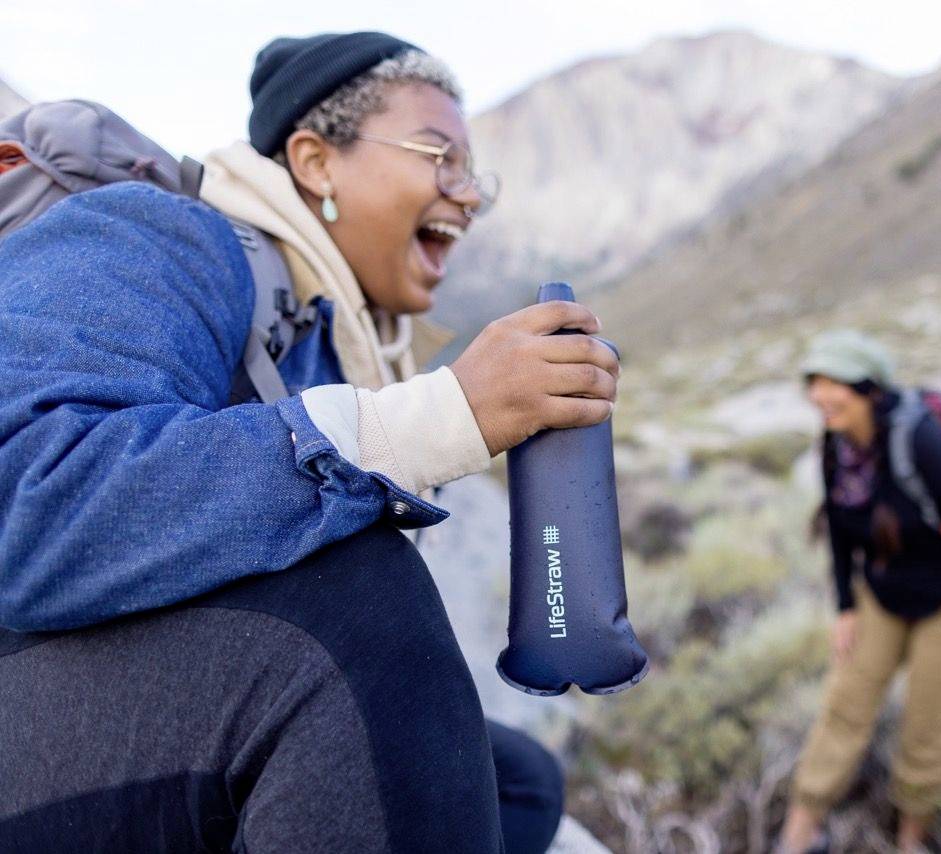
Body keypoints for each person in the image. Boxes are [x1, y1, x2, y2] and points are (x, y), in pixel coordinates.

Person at [0, 31, 616, 852]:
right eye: (439, 155)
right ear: (317, 162)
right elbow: (31, 503)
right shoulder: (158, 235)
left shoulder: (317, 334)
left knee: (517, 783)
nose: (467, 196)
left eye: (474, 174)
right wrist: (430, 421)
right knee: (361, 600)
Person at [777, 330, 941, 854]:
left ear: (867, 388)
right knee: (845, 706)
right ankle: (800, 829)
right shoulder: (837, 442)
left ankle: (910, 837)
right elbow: (835, 525)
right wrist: (847, 608)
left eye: (833, 383)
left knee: (931, 722)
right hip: (882, 592)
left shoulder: (920, 440)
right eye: (815, 383)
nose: (819, 395)